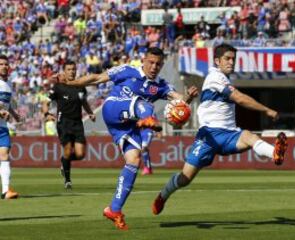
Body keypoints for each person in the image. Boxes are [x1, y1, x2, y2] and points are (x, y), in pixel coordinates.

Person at [63, 47, 198, 230]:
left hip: (127, 125)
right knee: (144, 105)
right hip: (112, 108)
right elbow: (97, 78)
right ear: (144, 60)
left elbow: (179, 102)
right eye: (151, 62)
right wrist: (71, 83)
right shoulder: (127, 70)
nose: (154, 66)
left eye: (158, 64)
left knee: (134, 160)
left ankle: (114, 209)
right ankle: (148, 120)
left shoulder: (161, 86)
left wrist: (188, 97)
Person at [151, 44, 288, 216]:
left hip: (229, 134)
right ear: (217, 61)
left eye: (233, 59)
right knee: (185, 178)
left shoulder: (223, 78)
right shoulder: (215, 77)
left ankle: (275, 153)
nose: (231, 62)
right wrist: (267, 110)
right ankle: (163, 195)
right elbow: (238, 98)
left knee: (249, 136)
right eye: (227, 59)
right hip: (208, 137)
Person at [43, 60, 96, 189]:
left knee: (80, 154)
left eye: (73, 69)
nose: (71, 71)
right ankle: (67, 180)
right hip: (64, 122)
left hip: (78, 123)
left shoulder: (80, 86)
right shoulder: (58, 87)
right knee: (67, 150)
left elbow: (84, 102)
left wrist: (90, 113)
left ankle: (64, 161)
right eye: (69, 69)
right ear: (64, 71)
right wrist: (47, 114)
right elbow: (45, 102)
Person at [0, 55, 22, 199]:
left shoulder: (8, 85)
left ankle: (6, 190)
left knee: (4, 155)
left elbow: (6, 104)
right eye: (1, 64)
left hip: (2, 127)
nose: (4, 66)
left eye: (6, 64)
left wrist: (14, 114)